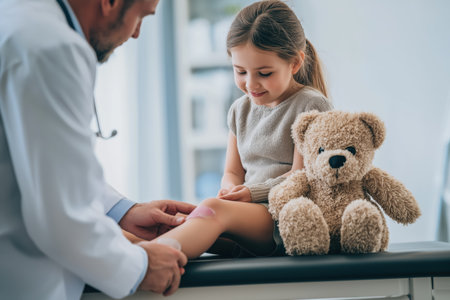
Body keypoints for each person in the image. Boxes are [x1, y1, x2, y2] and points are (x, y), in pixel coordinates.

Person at [0, 0, 195, 299]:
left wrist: (123, 210)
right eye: (139, 16)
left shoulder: (21, 22)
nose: (136, 34)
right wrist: (141, 265)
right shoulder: (52, 46)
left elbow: (40, 162)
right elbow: (62, 220)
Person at [153, 0, 333, 259]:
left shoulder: (311, 104)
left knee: (211, 210)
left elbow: (301, 178)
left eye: (264, 73)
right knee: (176, 221)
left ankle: (146, 261)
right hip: (249, 215)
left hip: (288, 217)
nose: (251, 84)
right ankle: (123, 255)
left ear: (294, 63)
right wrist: (231, 191)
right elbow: (232, 171)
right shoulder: (240, 109)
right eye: (240, 72)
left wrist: (250, 193)